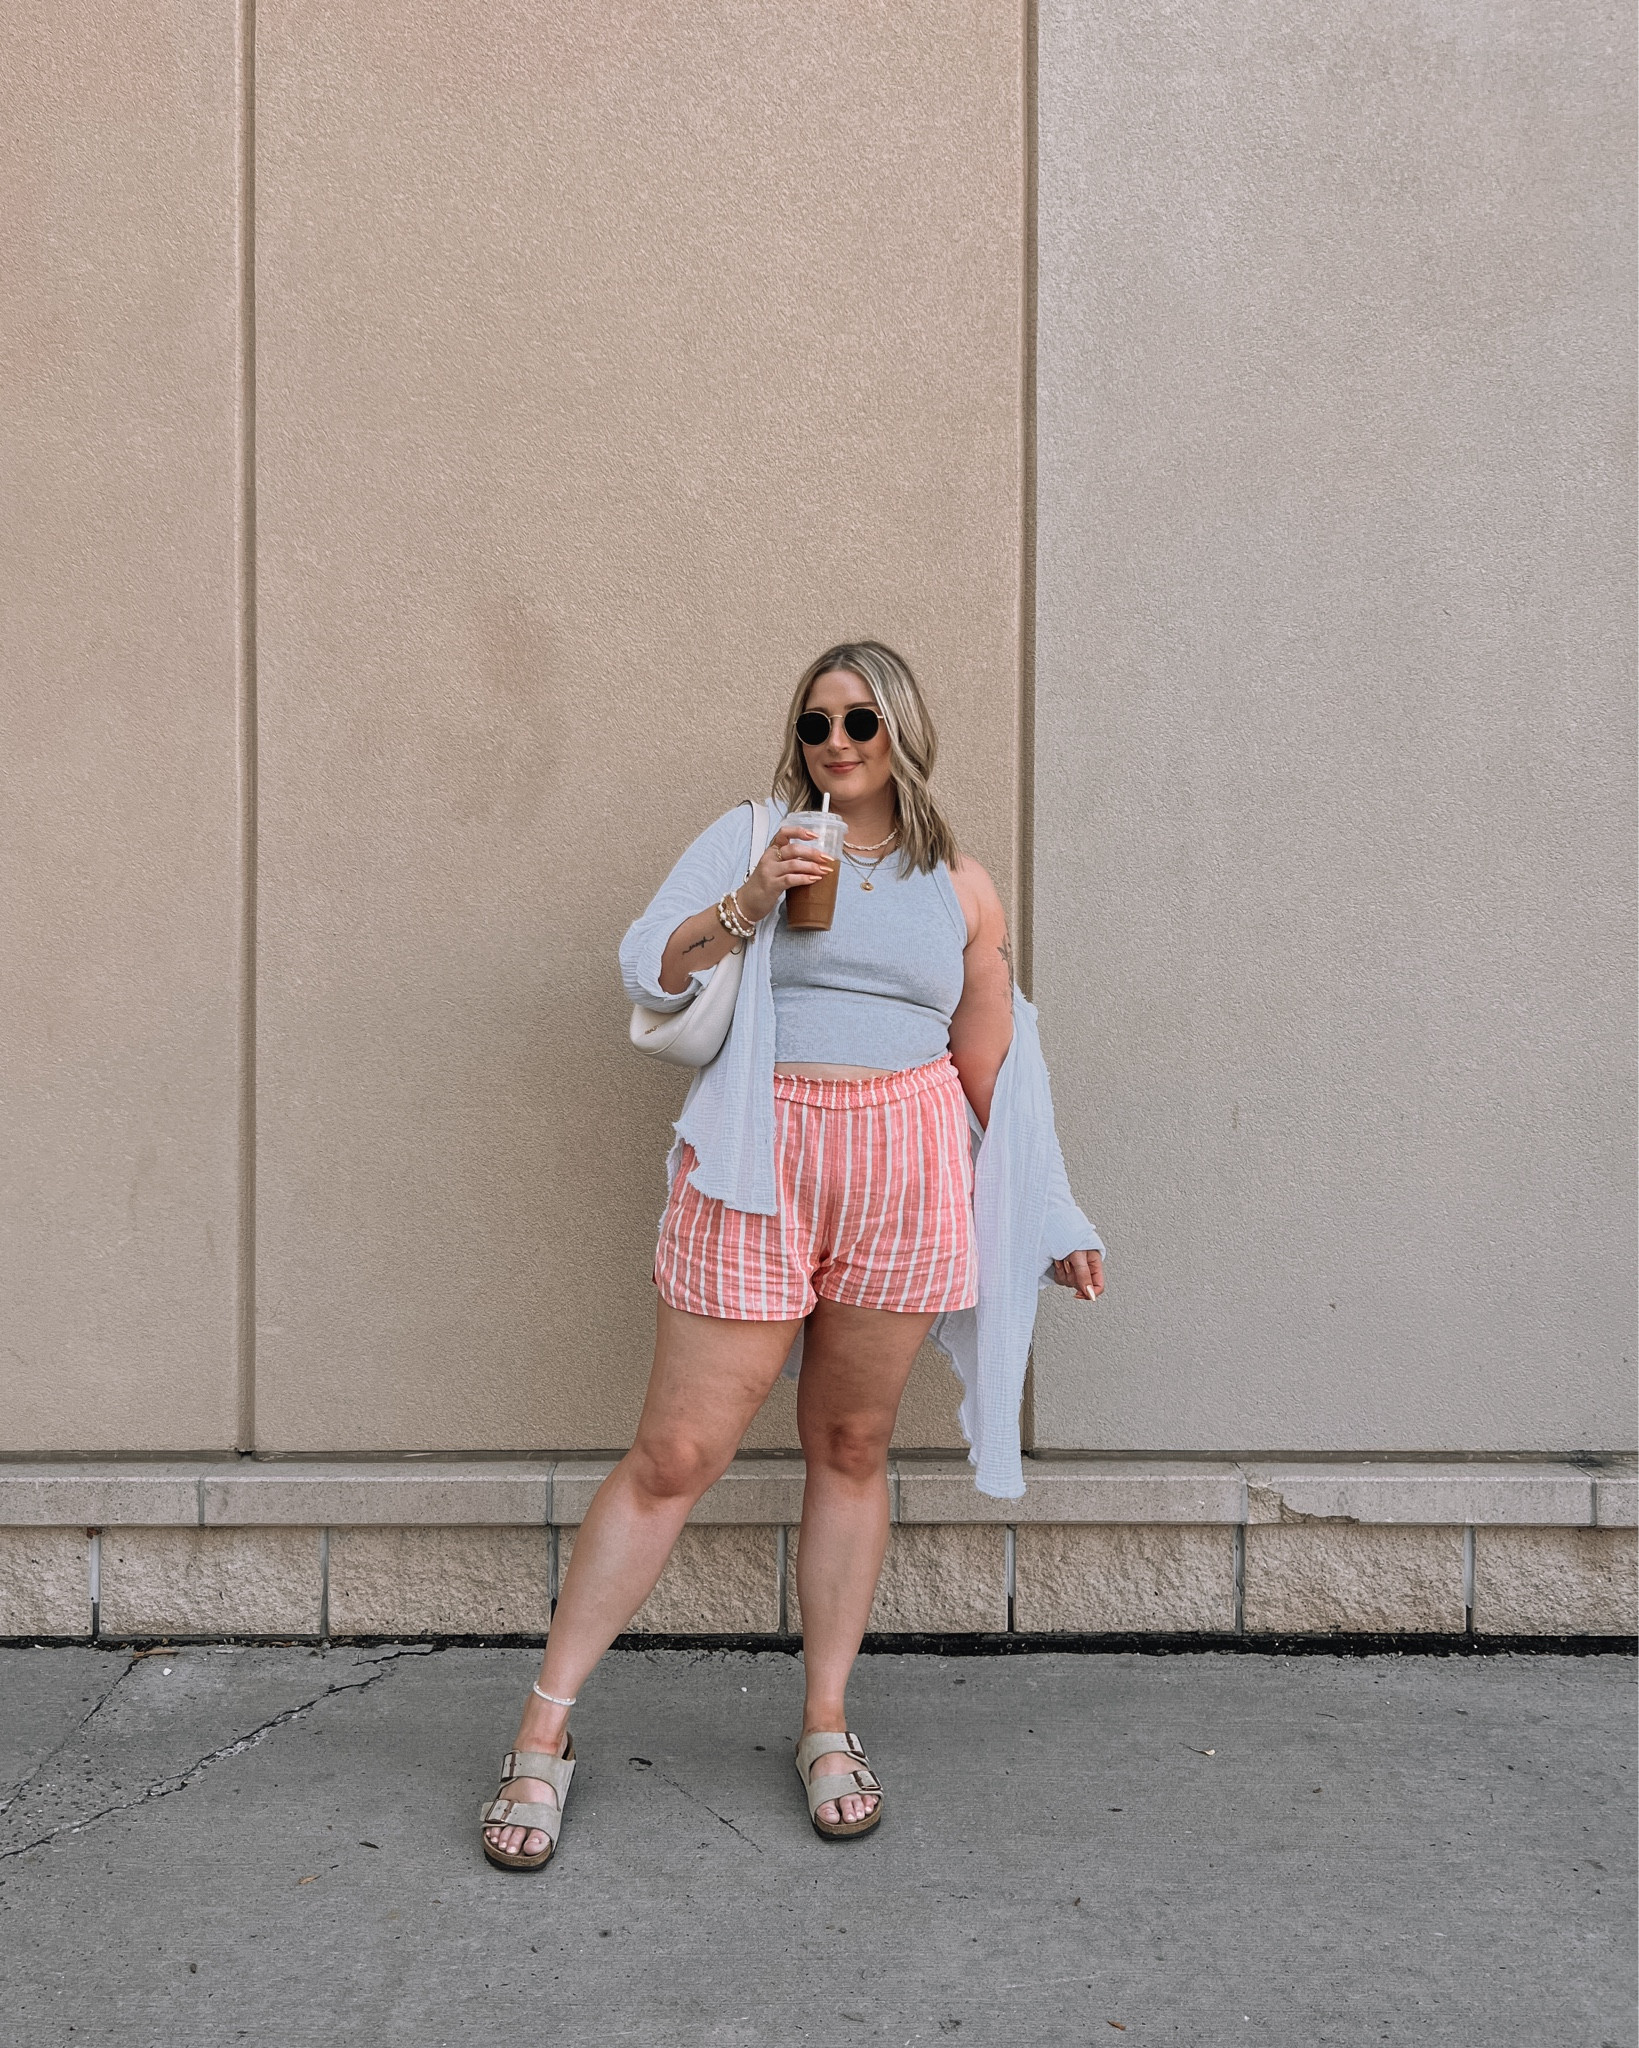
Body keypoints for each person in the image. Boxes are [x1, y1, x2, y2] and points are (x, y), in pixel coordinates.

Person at [481, 641, 1104, 1870]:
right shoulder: (757, 831)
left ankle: (825, 1720)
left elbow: (995, 1069)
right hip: (761, 1157)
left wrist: (1055, 1213)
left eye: (860, 719)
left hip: (908, 1166)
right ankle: (540, 1733)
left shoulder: (963, 886)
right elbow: (647, 966)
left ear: (902, 731)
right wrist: (751, 896)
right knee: (675, 1453)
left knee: (851, 1444)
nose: (835, 741)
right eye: (815, 721)